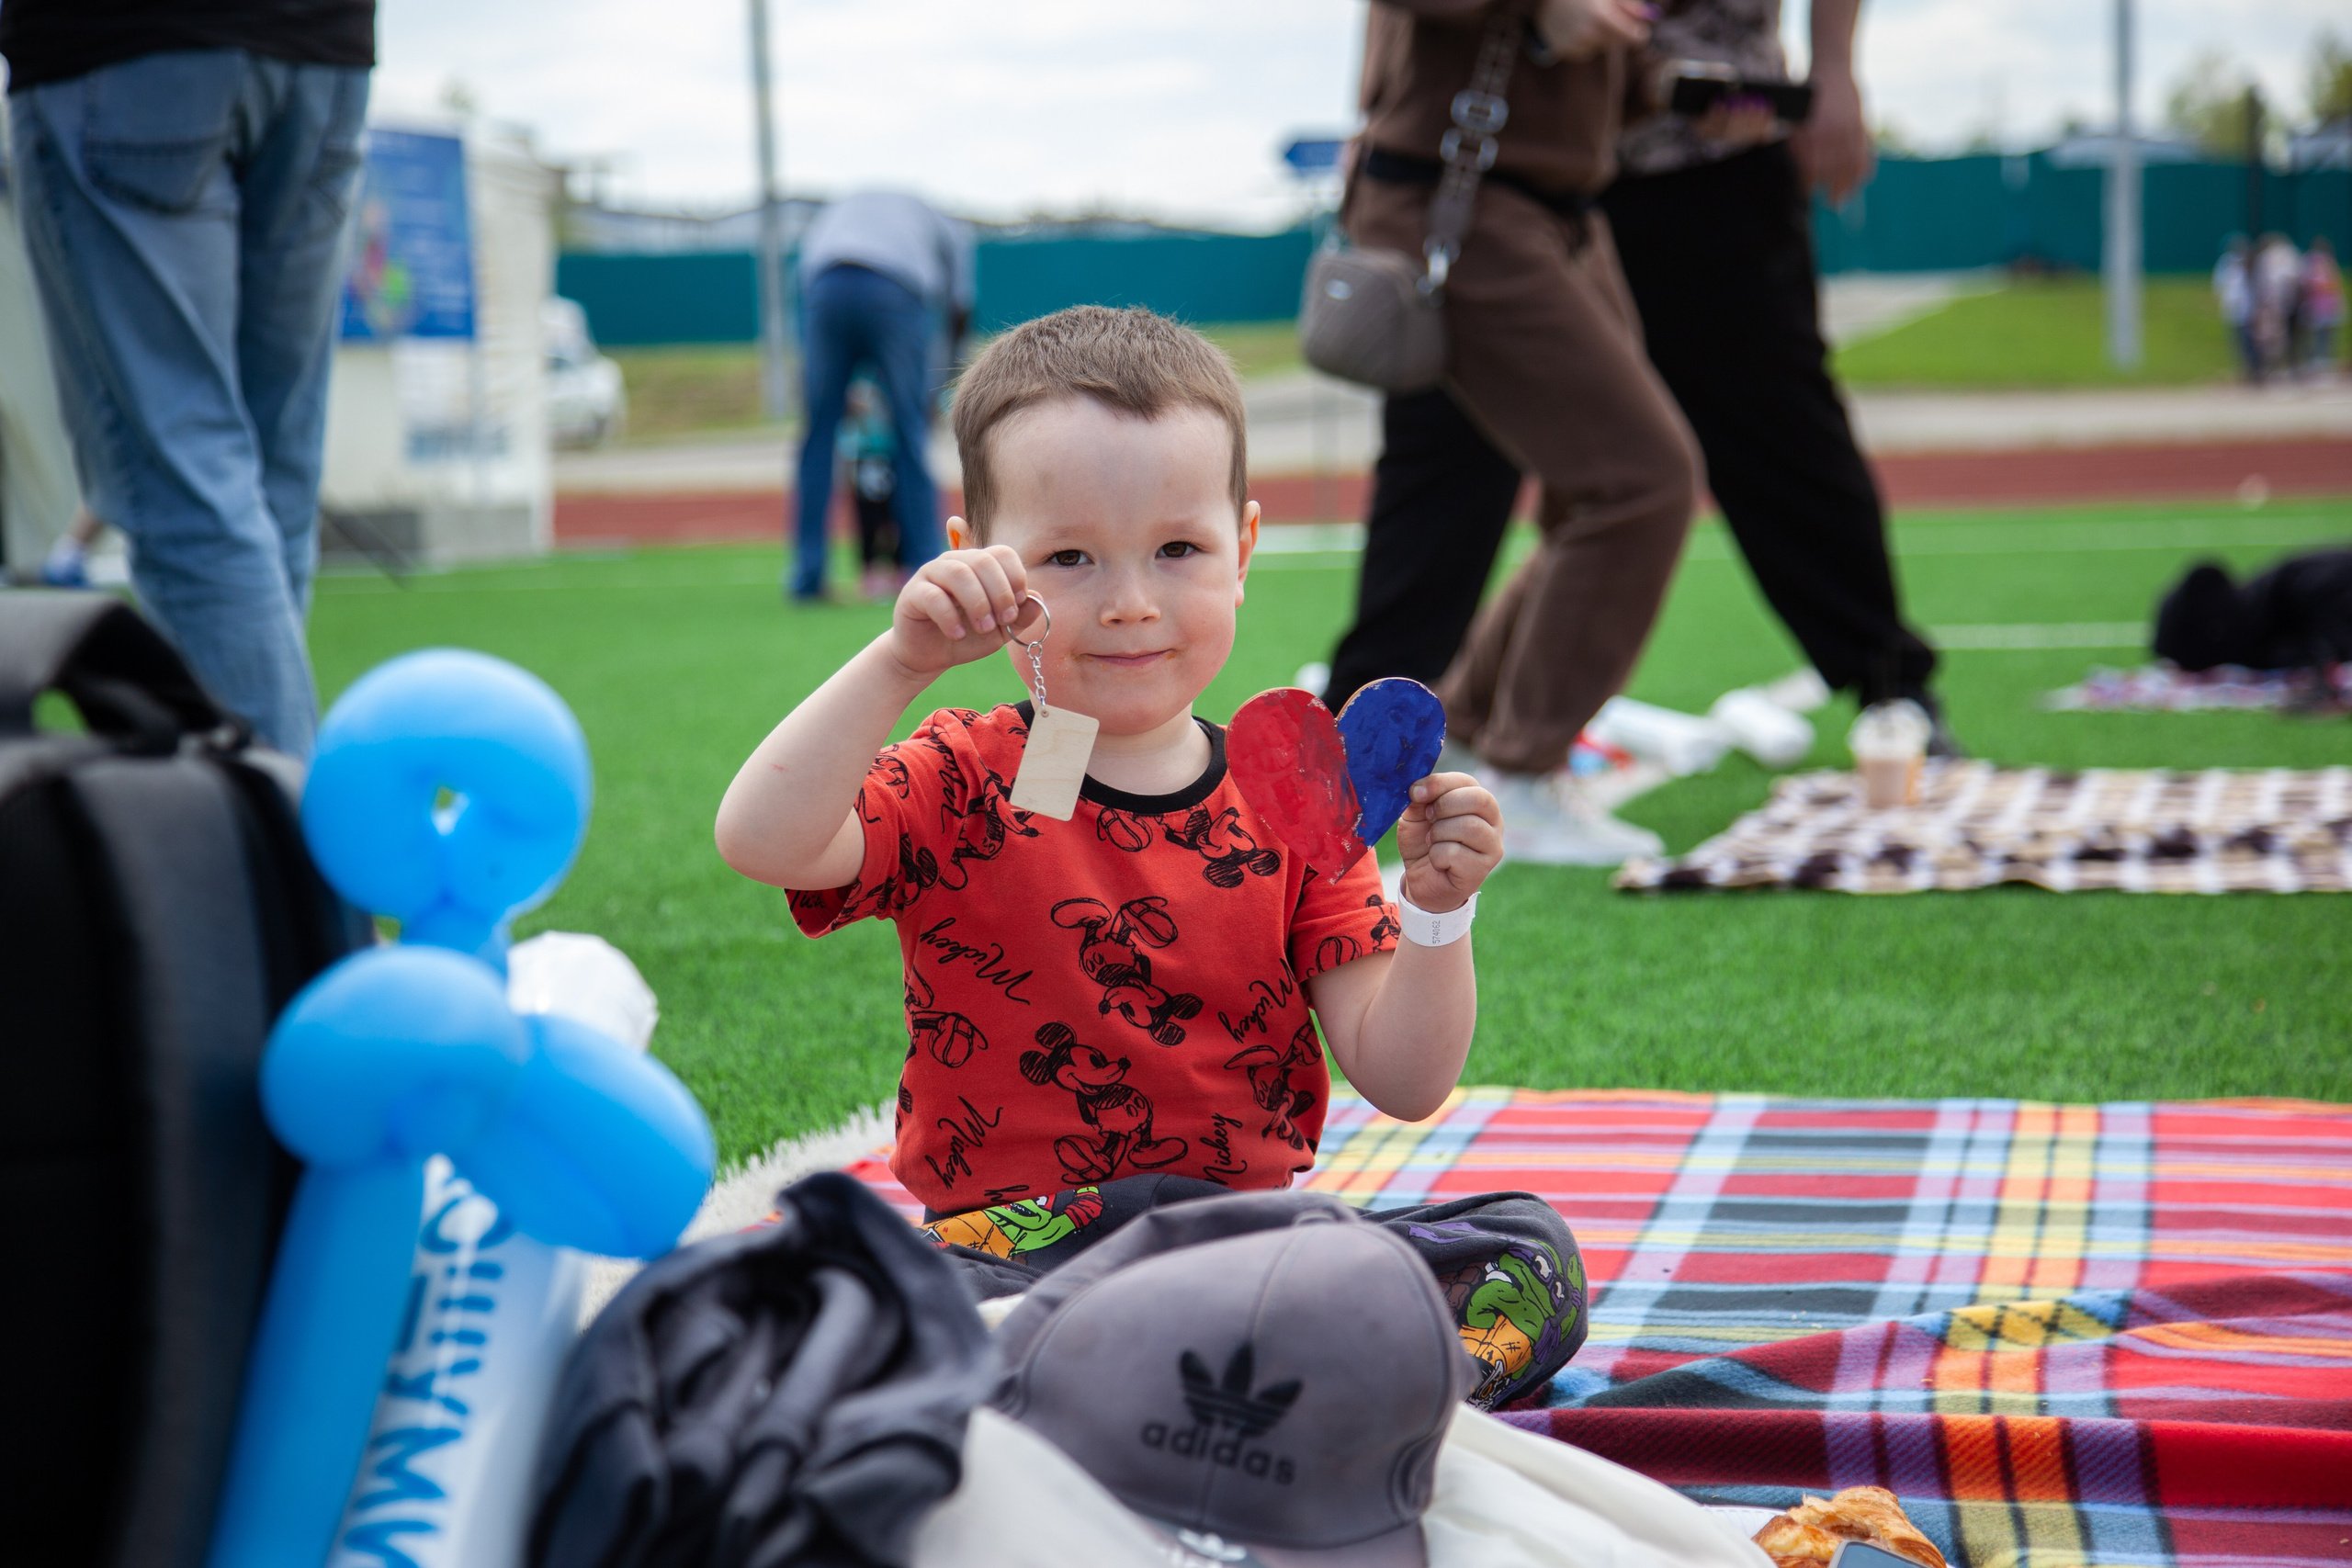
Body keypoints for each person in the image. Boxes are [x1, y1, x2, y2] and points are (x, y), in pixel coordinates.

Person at [717, 307, 1589, 1409]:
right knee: (820, 1297)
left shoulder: (1296, 802)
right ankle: (1245, 1404)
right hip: (1008, 1259)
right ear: (974, 563)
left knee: (1522, 1254)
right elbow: (763, 839)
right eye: (1069, 556)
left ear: (1245, 552)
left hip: (1250, 1252)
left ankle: (1144, 1400)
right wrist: (901, 659)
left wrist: (1435, 913)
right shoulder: (957, 774)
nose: (1129, 602)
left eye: (1177, 549)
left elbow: (1408, 1080)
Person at [1327, 0, 1955, 820]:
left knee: (1619, 482)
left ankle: (1475, 734)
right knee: (1622, 480)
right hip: (1473, 194)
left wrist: (1678, 91)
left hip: (1570, 194)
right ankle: (1482, 765)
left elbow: (1593, 59)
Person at [1325, 0, 1703, 864]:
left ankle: (1479, 740)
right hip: (1465, 200)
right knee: (1641, 480)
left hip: (1540, 206)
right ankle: (1519, 770)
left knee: (1600, 489)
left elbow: (1573, 70)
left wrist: (1663, 84)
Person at [2, 1, 374, 758]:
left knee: (189, 483)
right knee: (271, 483)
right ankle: (264, 811)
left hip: (127, 50)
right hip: (322, 51)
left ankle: (273, 849)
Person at [789, 190, 975, 603]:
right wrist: (939, 384)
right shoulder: (945, 224)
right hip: (894, 288)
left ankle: (806, 577)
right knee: (910, 432)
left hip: (825, 287)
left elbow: (803, 280)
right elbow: (960, 307)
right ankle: (930, 570)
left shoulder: (839, 209)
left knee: (818, 435)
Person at [841, 378, 906, 600]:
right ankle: (868, 573)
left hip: (888, 454)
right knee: (867, 520)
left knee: (894, 518)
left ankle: (899, 569)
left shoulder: (887, 379)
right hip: (864, 455)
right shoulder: (854, 378)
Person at [2215, 236, 2257, 382]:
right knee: (2239, 342)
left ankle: (2253, 369)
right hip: (2235, 310)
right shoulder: (2227, 264)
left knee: (2250, 341)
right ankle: (2245, 369)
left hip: (2247, 310)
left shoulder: (2248, 265)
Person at [2299, 236, 2343, 378]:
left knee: (2325, 336)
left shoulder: (2328, 262)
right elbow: (2307, 283)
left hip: (2326, 305)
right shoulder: (2310, 262)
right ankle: (2315, 363)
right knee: (2316, 336)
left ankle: (2324, 362)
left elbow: (2333, 283)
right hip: (2314, 305)